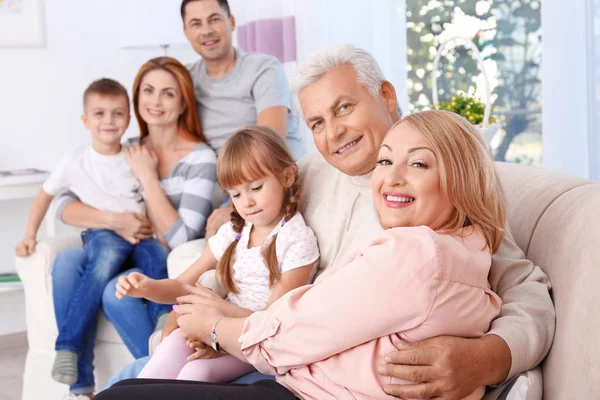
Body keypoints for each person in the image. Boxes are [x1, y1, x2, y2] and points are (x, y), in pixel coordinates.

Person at [105, 45, 555, 399]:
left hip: (294, 373)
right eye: (316, 122)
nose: (333, 133)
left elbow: (527, 289)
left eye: (343, 108)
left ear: (386, 95)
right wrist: (200, 310)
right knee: (130, 379)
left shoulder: (439, 192)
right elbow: (247, 243)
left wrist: (490, 357)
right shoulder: (304, 175)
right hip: (258, 353)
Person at [53, 57, 217, 398]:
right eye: (148, 91)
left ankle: (155, 380)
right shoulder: (122, 146)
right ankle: (78, 381)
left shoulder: (200, 158)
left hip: (158, 259)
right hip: (117, 247)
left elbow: (182, 237)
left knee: (118, 293)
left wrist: (147, 177)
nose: (155, 102)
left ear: (184, 101)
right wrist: (115, 221)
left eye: (168, 94)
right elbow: (62, 204)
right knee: (66, 262)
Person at [115, 126, 319, 383]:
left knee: (197, 372)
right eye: (235, 194)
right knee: (176, 343)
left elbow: (272, 321)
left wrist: (217, 321)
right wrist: (146, 287)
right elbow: (181, 285)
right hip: (219, 328)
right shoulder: (234, 232)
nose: (247, 201)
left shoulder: (297, 241)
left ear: (287, 176)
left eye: (256, 187)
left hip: (255, 340)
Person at [14, 78, 172, 390]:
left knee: (157, 255)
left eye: (117, 114)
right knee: (105, 256)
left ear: (128, 118)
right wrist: (30, 234)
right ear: (85, 120)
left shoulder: (135, 156)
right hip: (103, 235)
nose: (109, 121)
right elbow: (46, 195)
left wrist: (156, 233)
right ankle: (69, 345)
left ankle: (163, 321)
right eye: (99, 114)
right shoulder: (75, 160)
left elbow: (150, 201)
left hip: (140, 236)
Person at [179, 0, 307, 237]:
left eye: (214, 19)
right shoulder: (186, 79)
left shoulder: (263, 68)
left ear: (232, 22)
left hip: (268, 177)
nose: (206, 30)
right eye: (196, 23)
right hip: (227, 185)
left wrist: (233, 207)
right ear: (186, 32)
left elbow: (269, 144)